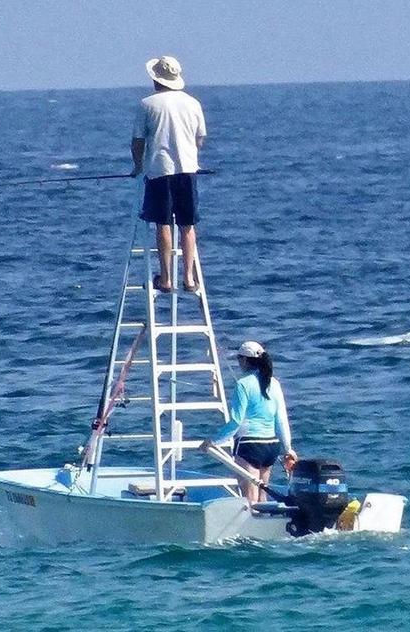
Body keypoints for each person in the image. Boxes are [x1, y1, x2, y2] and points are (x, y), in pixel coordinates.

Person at [131, 55, 206, 293]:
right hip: (187, 170)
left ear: (156, 79)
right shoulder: (193, 103)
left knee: (163, 224)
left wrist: (137, 166)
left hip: (159, 171)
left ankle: (165, 278)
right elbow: (199, 138)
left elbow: (138, 142)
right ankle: (190, 278)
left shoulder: (147, 104)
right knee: (188, 225)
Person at [200, 341, 298, 505]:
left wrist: (212, 441)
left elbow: (236, 421)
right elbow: (281, 419)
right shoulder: (274, 383)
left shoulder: (242, 384)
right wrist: (288, 448)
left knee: (250, 500)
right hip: (271, 447)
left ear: (244, 360)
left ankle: (250, 531)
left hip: (249, 446)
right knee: (262, 497)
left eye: (239, 359)